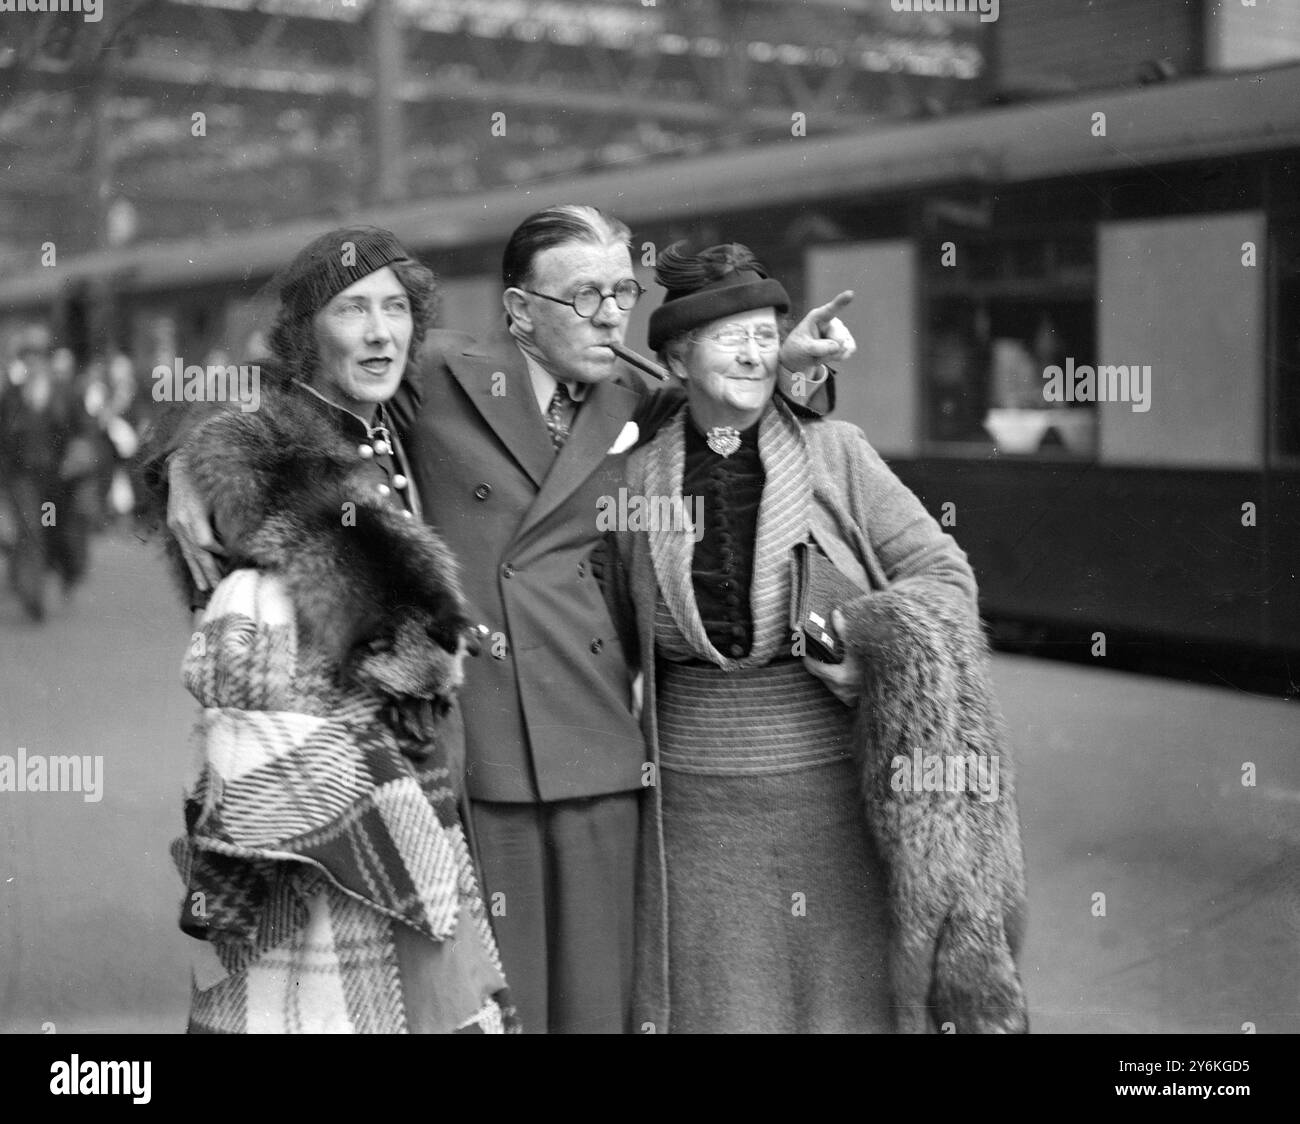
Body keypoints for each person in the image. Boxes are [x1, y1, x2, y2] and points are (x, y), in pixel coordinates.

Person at [162, 203, 856, 1033]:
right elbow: (300, 396)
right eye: (582, 295)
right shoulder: (439, 372)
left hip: (597, 744)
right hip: (475, 754)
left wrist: (793, 371)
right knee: (494, 1002)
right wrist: (191, 459)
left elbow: (733, 410)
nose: (608, 313)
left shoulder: (641, 393)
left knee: (598, 1004)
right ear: (519, 312)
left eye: (621, 292)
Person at [620, 242, 1028, 1033]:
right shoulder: (634, 478)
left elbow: (946, 578)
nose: (752, 352)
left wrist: (865, 638)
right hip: (693, 806)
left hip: (829, 794)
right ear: (674, 355)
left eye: (765, 334)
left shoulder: (837, 453)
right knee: (717, 1007)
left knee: (844, 1006)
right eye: (726, 335)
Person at [141, 227, 516, 1033]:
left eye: (395, 309)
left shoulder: (388, 413)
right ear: (307, 335)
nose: (380, 331)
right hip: (327, 812)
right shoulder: (281, 452)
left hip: (413, 789)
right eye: (353, 310)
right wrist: (190, 456)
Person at [0, 326, 100, 621]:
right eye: (28, 357)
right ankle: (33, 594)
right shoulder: (13, 396)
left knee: (51, 529)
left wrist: (78, 455)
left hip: (56, 482)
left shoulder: (65, 392)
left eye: (39, 356)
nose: (33, 362)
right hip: (22, 480)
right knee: (32, 531)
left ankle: (64, 572)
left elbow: (84, 429)